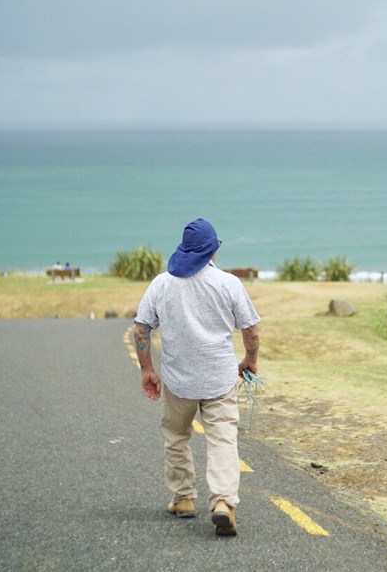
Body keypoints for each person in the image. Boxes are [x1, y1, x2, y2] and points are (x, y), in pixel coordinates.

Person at [133, 218, 260, 537]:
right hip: (220, 378)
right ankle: (223, 503)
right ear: (213, 250)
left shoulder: (161, 283)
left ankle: (183, 498)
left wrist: (147, 369)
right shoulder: (229, 284)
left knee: (176, 435)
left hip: (179, 382)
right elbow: (250, 329)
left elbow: (141, 329)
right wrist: (250, 360)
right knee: (222, 438)